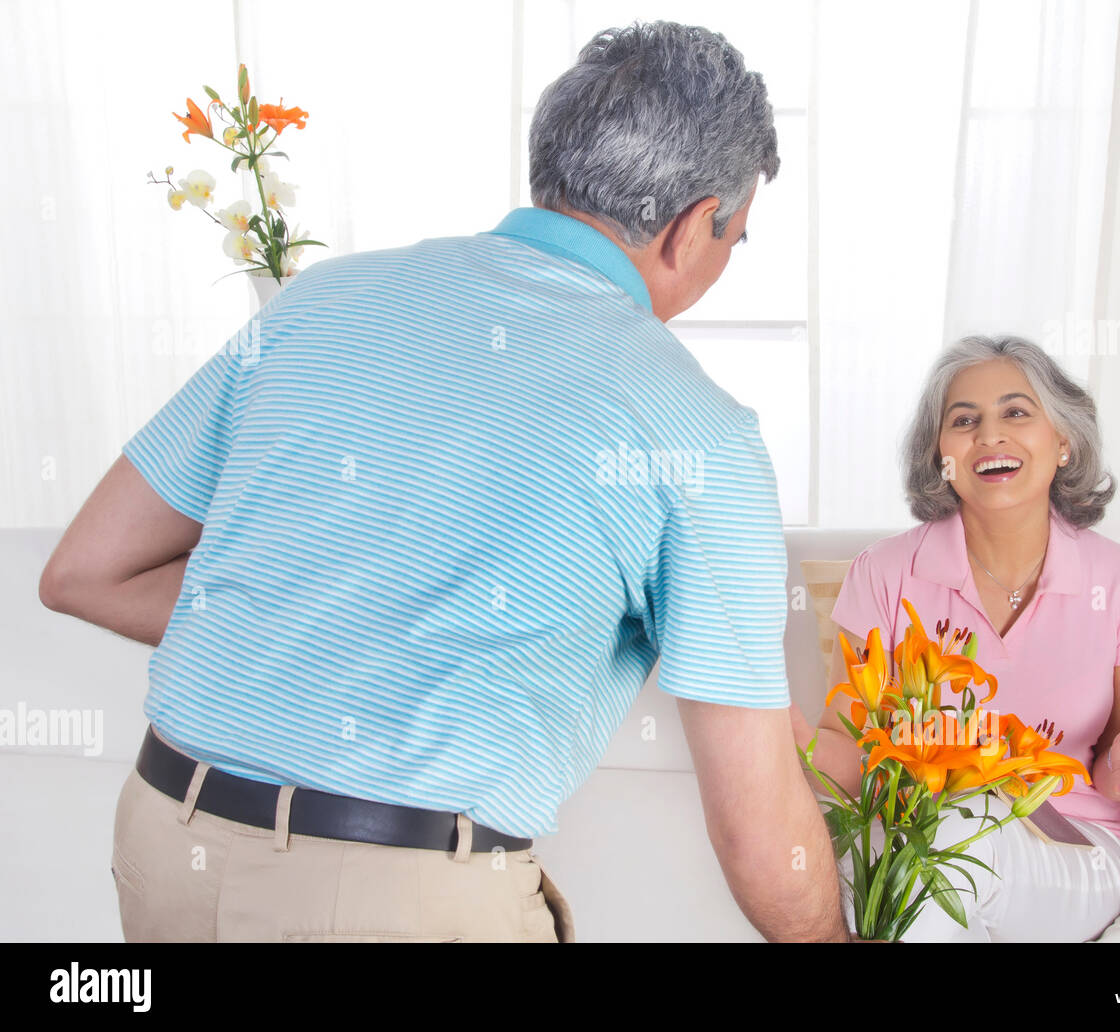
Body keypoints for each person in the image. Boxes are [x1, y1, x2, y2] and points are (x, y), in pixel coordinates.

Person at [39, 20, 849, 943]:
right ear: (691, 224)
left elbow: (86, 572)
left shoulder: (320, 298)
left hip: (164, 843)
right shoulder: (697, 430)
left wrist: (318, 625)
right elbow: (759, 833)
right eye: (733, 239)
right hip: (395, 903)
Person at [791, 335, 1120, 942]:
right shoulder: (882, 573)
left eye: (1015, 412)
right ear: (940, 455)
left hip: (1073, 849)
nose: (989, 435)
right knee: (914, 852)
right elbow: (849, 754)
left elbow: (1115, 774)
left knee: (945, 837)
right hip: (913, 839)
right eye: (964, 420)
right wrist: (776, 728)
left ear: (1063, 442)